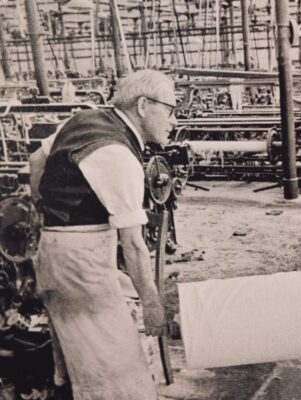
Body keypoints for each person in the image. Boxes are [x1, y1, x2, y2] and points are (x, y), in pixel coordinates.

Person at [29, 69, 178, 399]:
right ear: (143, 105)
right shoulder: (118, 154)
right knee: (114, 361)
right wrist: (153, 305)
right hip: (82, 263)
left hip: (53, 250)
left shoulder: (83, 119)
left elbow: (36, 160)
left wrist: (48, 206)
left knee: (74, 350)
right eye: (169, 109)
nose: (172, 120)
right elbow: (135, 245)